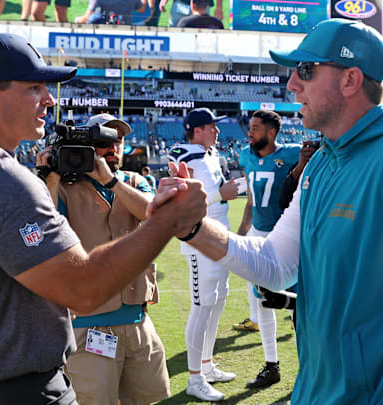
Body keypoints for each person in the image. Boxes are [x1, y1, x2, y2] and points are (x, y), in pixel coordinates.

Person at [154, 18, 383, 404]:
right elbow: (275, 262)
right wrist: (192, 227)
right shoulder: (325, 159)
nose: (291, 83)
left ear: (350, 81)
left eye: (306, 70)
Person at [0, 33, 205, 405]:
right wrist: (167, 220)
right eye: (34, 88)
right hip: (13, 389)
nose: (49, 100)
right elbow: (82, 289)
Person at [37, 113, 170, 405]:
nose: (113, 149)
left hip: (138, 320)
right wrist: (50, 177)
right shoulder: (64, 187)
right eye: (103, 142)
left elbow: (154, 215)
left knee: (145, 399)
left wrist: (111, 182)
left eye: (118, 141)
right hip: (87, 325)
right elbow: (45, 232)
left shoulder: (135, 181)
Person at [167, 107, 240, 402]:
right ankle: (194, 379)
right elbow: (184, 198)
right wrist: (222, 194)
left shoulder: (208, 154)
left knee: (217, 300)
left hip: (219, 236)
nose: (218, 131)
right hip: (199, 238)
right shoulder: (185, 153)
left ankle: (206, 366)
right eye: (212, 126)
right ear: (197, 130)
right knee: (202, 304)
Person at [234, 109, 300, 389]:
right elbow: (250, 198)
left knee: (298, 308)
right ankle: (271, 366)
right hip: (258, 235)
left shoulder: (295, 152)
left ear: (272, 133)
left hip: (287, 236)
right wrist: (242, 231)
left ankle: (307, 370)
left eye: (256, 128)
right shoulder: (246, 156)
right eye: (250, 127)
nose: (250, 132)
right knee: (263, 303)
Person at [75, 0, 146, 24]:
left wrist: (78, 20)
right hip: (126, 32)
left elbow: (86, 18)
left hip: (104, 33)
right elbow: (141, 9)